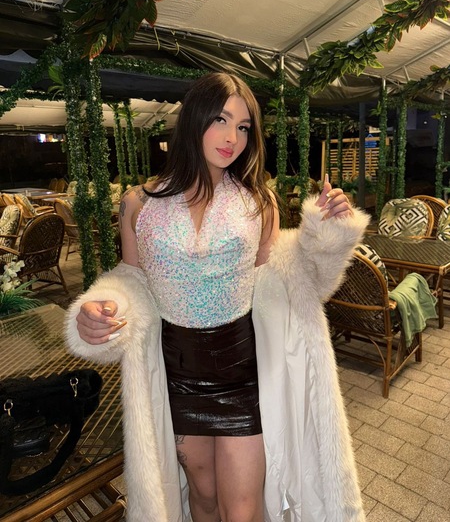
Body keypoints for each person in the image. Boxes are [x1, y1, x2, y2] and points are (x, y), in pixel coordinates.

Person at [65, 72, 369, 522]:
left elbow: (282, 284)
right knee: (202, 497)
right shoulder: (138, 203)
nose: (232, 138)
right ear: (195, 118)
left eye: (243, 127)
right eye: (221, 120)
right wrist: (103, 305)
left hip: (242, 371)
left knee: (242, 509)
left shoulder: (258, 202)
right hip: (177, 372)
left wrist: (324, 237)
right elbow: (132, 279)